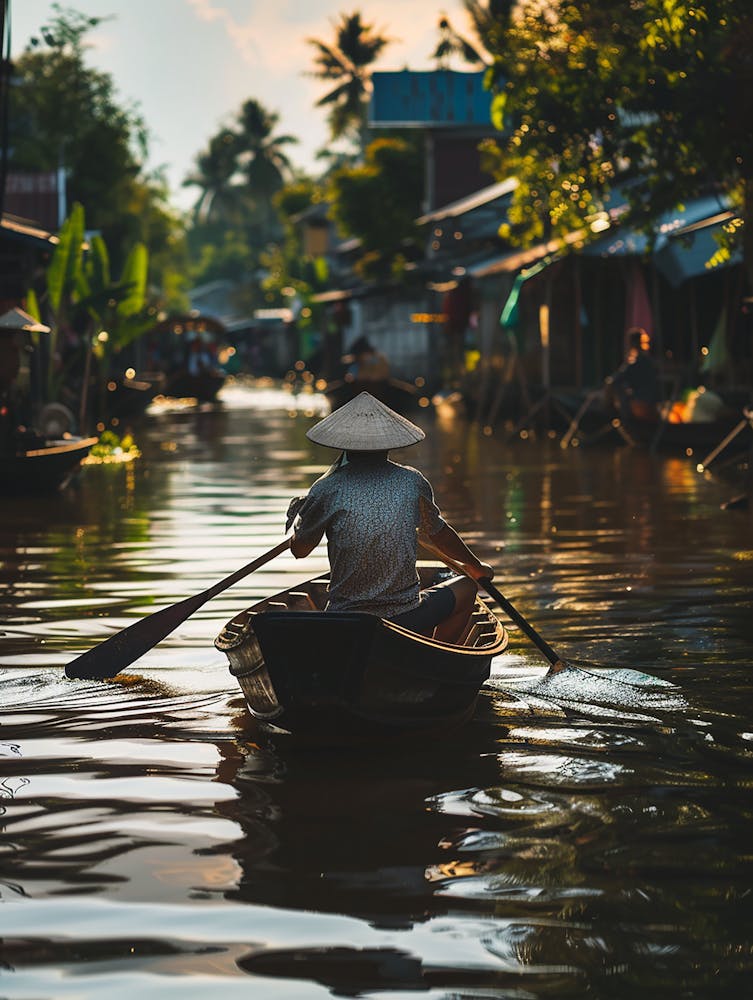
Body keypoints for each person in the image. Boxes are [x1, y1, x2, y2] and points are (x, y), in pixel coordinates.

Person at [288, 392, 494, 643]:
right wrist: (475, 568)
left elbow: (300, 550)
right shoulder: (412, 481)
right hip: (406, 616)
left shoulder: (325, 489)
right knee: (467, 587)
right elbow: (439, 534)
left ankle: (426, 654)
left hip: (345, 621)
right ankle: (432, 652)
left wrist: (300, 521)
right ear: (388, 444)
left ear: (345, 446)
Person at [606, 326, 662, 422]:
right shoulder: (649, 362)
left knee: (616, 389)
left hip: (642, 406)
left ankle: (619, 419)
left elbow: (613, 381)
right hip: (652, 405)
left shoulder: (636, 363)